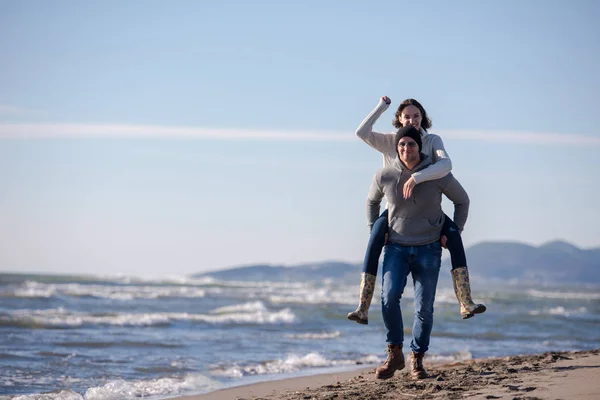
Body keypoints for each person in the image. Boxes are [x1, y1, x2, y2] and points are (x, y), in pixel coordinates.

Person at [347, 96, 485, 323]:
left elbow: (446, 165)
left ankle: (465, 301)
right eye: (407, 116)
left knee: (454, 237)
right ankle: (362, 306)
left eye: (416, 116)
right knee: (373, 239)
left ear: (423, 118)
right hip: (396, 208)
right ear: (399, 120)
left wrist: (416, 178)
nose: (412, 120)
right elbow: (361, 133)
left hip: (428, 208)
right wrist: (381, 107)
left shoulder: (431, 141)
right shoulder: (390, 141)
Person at [369, 126, 470, 380]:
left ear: (419, 147)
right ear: (396, 148)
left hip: (429, 249)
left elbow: (462, 200)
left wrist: (454, 231)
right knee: (388, 299)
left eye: (411, 145)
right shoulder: (386, 175)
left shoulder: (437, 174)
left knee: (424, 308)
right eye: (401, 145)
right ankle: (394, 353)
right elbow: (371, 202)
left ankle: (417, 359)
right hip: (396, 248)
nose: (406, 149)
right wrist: (375, 231)